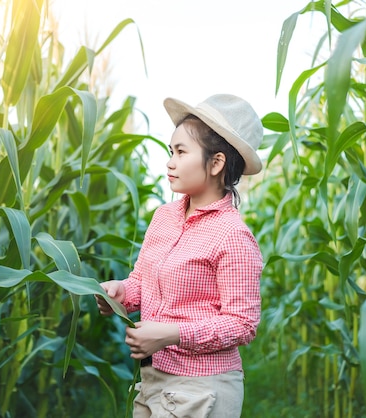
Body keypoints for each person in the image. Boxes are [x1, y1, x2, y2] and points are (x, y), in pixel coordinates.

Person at [96, 94, 264, 417]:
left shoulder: (233, 235)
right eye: (171, 151)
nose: (170, 162)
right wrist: (122, 292)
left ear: (216, 163)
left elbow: (242, 324)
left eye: (181, 152)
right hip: (153, 380)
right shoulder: (164, 217)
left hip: (203, 388)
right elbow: (143, 282)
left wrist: (173, 334)